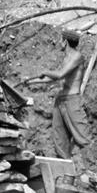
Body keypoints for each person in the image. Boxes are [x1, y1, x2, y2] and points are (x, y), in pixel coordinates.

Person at [27, 29, 89, 159]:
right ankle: (65, 170)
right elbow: (53, 77)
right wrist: (31, 81)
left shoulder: (77, 57)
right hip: (60, 101)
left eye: (60, 40)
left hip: (72, 101)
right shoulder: (66, 58)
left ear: (65, 41)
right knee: (59, 138)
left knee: (82, 137)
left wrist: (45, 70)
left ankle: (89, 168)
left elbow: (60, 74)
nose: (58, 42)